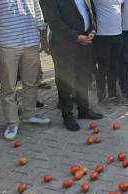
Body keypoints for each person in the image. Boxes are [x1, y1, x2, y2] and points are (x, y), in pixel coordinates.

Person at [0, 0, 51, 141]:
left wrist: (43, 37)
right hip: (7, 44)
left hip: (30, 41)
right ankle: (12, 122)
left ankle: (29, 114)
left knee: (31, 82)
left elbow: (37, 10)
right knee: (8, 86)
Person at [40, 0, 103, 132]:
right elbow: (54, 21)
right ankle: (67, 116)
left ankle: (83, 110)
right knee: (65, 82)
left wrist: (93, 29)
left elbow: (92, 12)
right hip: (64, 45)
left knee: (83, 78)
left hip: (85, 42)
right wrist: (75, 36)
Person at [93, 0, 125, 105]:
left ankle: (113, 94)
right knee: (102, 68)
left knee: (114, 66)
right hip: (102, 35)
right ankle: (101, 97)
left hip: (118, 33)